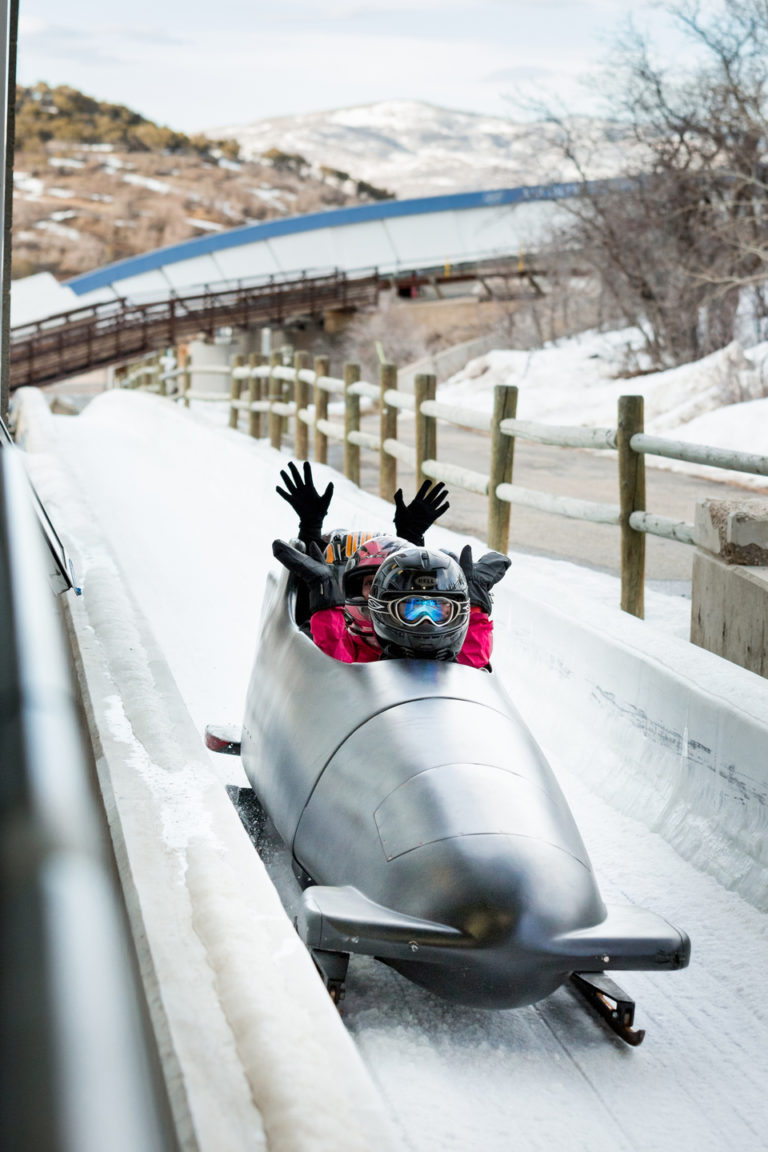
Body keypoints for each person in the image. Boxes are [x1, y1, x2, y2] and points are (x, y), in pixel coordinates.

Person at [272, 536, 510, 668]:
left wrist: (475, 605)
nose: (425, 620)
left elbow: (472, 657)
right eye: (410, 609)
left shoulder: (457, 663)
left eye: (437, 610)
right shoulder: (354, 655)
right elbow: (336, 663)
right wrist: (324, 602)